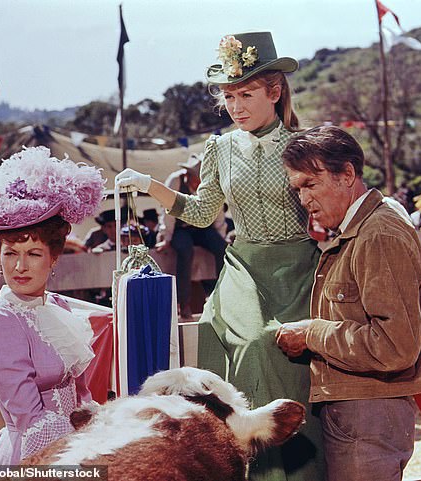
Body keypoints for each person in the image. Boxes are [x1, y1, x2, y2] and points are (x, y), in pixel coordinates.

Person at [116, 32, 324, 481]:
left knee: (270, 350)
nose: (236, 105)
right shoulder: (220, 147)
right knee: (218, 337)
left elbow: (329, 208)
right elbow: (202, 211)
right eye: (229, 96)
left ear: (275, 91)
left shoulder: (304, 144)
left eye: (246, 94)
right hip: (244, 268)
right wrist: (150, 185)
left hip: (300, 268)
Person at [276, 126, 421, 481]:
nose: (304, 200)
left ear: (347, 174)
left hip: (369, 411)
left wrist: (313, 334)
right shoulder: (365, 226)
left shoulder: (377, 233)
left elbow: (396, 347)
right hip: (364, 408)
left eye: (311, 184)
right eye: (298, 189)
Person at [0, 146, 105, 465]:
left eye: (34, 254)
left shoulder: (59, 307)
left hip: (75, 447)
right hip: (35, 455)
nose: (20, 266)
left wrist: (101, 429)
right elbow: (31, 421)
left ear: (53, 259)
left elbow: (81, 396)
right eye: (10, 253)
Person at [156, 154, 227, 319]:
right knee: (184, 249)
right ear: (188, 176)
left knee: (221, 248)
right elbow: (168, 211)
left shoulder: (211, 183)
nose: (199, 184)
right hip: (180, 227)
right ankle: (184, 302)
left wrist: (221, 235)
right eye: (196, 179)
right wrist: (166, 237)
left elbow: (217, 211)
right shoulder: (175, 181)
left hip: (202, 226)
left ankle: (219, 296)